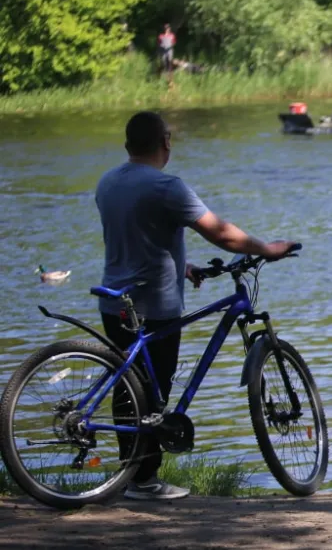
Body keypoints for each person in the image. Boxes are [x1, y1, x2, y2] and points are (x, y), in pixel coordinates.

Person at [96, 111, 298, 500]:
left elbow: (134, 234)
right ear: (166, 142)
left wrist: (180, 265)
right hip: (153, 306)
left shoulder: (108, 182)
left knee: (128, 392)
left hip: (114, 302)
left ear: (127, 146)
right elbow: (222, 234)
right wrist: (267, 249)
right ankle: (144, 483)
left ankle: (129, 477)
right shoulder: (167, 186)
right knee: (153, 397)